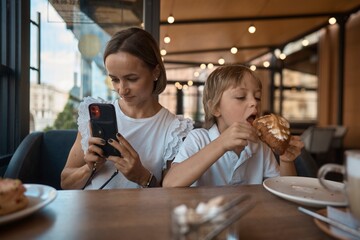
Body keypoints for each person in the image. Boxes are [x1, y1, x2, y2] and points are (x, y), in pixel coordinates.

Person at [61, 27, 193, 190]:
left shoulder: (174, 130)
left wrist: (143, 177)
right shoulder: (94, 116)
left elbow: (171, 200)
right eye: (114, 80)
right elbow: (65, 184)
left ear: (156, 72)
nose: (122, 90)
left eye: (131, 79)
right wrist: (89, 168)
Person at [163, 65, 304, 187]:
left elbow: (285, 189)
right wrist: (222, 143)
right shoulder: (199, 139)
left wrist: (286, 160)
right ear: (215, 108)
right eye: (241, 97)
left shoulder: (260, 147)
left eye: (257, 97)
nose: (254, 103)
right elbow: (170, 183)